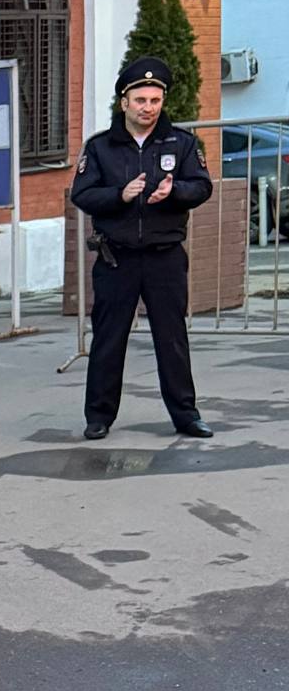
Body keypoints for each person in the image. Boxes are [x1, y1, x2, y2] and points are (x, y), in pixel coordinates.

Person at [72, 54, 214, 441]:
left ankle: (186, 415)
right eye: (140, 101)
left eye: (154, 101)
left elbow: (202, 186)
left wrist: (175, 191)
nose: (148, 108)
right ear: (124, 102)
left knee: (171, 338)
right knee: (109, 338)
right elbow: (82, 194)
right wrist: (120, 195)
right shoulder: (101, 147)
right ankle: (99, 416)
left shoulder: (181, 143)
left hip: (164, 256)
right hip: (116, 257)